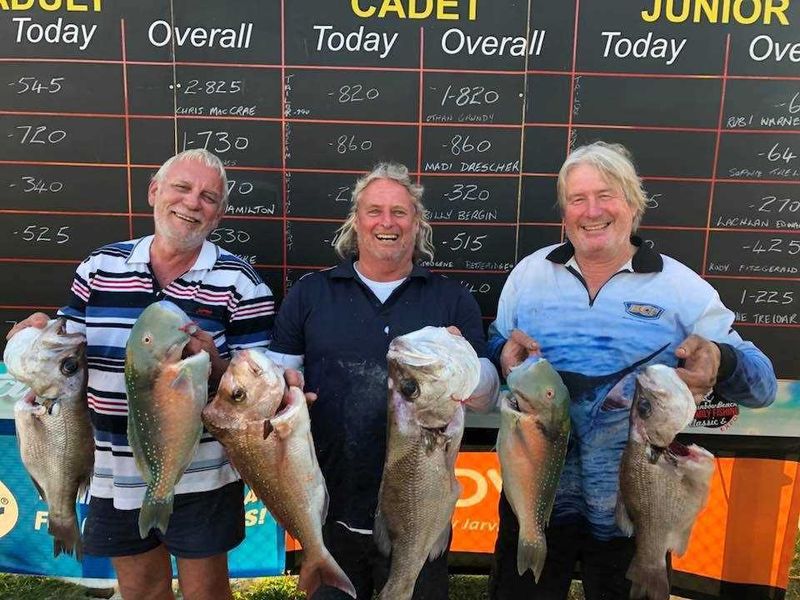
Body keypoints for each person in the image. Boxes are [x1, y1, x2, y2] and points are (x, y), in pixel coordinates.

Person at [487, 141, 777, 600]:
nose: (592, 211)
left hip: (632, 516)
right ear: (565, 211)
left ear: (633, 203)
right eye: (578, 199)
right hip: (535, 504)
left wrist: (721, 359)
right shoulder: (528, 275)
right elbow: (497, 346)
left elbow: (762, 386)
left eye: (606, 195)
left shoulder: (680, 288)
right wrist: (503, 353)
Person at [7, 149, 275, 600]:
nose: (192, 203)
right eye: (181, 188)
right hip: (113, 466)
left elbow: (258, 393)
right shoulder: (99, 267)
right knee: (141, 591)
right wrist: (32, 338)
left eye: (208, 197)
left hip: (201, 472)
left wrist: (216, 366)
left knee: (207, 592)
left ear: (219, 214)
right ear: (154, 192)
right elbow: (66, 351)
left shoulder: (242, 283)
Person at [265, 162, 500, 600]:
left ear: (417, 223)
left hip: (420, 512)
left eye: (399, 212)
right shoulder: (310, 294)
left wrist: (463, 361)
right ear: (356, 221)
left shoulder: (451, 299)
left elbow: (486, 395)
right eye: (374, 211)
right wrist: (284, 390)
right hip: (329, 509)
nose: (386, 222)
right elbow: (274, 389)